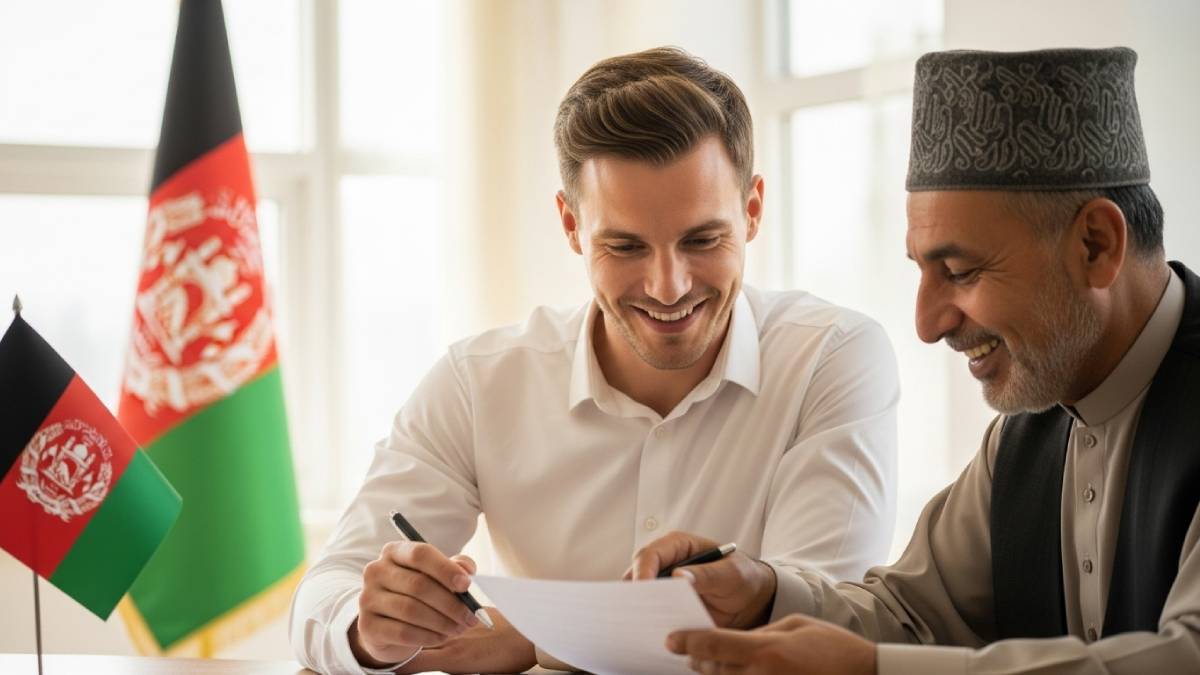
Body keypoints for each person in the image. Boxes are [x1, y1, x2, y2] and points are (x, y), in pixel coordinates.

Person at [288, 46, 900, 674]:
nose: (668, 286)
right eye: (626, 245)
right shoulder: (479, 382)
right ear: (571, 224)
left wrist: (531, 638)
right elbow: (326, 591)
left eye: (702, 239)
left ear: (753, 210)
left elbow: (817, 632)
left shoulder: (834, 357)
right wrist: (370, 630)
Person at [648, 46, 1200, 674]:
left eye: (960, 272)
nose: (927, 323)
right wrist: (764, 593)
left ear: (1096, 245)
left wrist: (874, 672)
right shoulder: (1025, 436)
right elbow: (912, 615)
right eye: (922, 271)